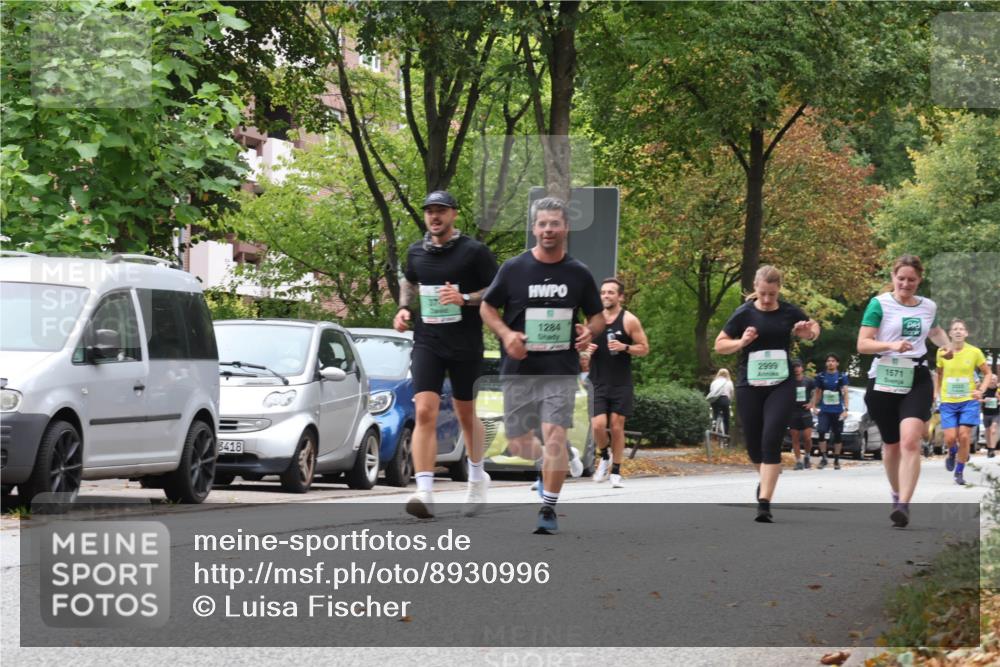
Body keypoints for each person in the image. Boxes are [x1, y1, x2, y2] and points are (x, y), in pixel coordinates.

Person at [481, 196, 604, 534]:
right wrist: (506, 334)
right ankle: (562, 455)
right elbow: (487, 308)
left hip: (559, 368)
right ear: (534, 228)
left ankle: (548, 507)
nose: (548, 229)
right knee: (519, 444)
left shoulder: (578, 273)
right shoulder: (513, 268)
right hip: (519, 369)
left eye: (555, 223)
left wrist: (589, 332)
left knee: (553, 433)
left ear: (566, 228)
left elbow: (597, 316)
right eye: (543, 224)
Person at [393, 190, 498, 519]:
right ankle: (424, 492)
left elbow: (496, 291)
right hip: (428, 341)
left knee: (465, 414)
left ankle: (477, 478)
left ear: (453, 214)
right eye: (429, 211)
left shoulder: (474, 252)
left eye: (441, 210)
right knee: (425, 410)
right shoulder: (416, 251)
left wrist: (464, 298)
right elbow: (409, 281)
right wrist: (403, 308)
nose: (434, 216)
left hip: (465, 343)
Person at [714, 266, 820, 522]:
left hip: (781, 384)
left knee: (771, 438)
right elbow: (720, 345)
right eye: (762, 293)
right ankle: (765, 476)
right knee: (754, 445)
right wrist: (741, 342)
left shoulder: (789, 312)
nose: (767, 299)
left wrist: (808, 333)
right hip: (750, 384)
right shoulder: (744, 313)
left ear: (779, 290)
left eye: (772, 294)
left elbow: (813, 328)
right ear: (755, 287)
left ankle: (764, 503)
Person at [857, 254, 952, 528]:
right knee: (891, 444)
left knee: (910, 440)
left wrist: (945, 346)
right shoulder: (879, 304)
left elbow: (935, 332)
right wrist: (891, 345)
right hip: (884, 377)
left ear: (919, 280)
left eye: (911, 280)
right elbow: (863, 344)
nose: (906, 284)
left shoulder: (928, 306)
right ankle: (897, 494)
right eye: (901, 279)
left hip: (916, 377)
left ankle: (904, 505)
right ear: (893, 277)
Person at [589, 278, 649, 488]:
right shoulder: (593, 319)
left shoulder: (629, 320)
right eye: (603, 292)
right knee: (597, 425)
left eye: (611, 292)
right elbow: (581, 347)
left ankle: (616, 471)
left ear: (620, 296)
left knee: (616, 426)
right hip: (597, 381)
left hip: (621, 382)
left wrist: (625, 347)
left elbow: (644, 348)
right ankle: (604, 456)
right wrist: (586, 350)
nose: (606, 296)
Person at [935, 319, 992, 485]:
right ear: (950, 333)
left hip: (968, 400)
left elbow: (987, 373)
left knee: (964, 436)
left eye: (961, 329)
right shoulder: (942, 351)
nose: (958, 331)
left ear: (966, 333)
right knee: (950, 438)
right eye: (955, 329)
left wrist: (981, 390)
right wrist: (936, 393)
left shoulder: (974, 352)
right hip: (948, 400)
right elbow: (939, 374)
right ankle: (952, 451)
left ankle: (959, 472)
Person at [812, 353, 851, 470]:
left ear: (837, 363)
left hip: (837, 411)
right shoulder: (821, 376)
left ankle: (836, 460)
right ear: (826, 363)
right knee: (821, 431)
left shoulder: (841, 377)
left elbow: (845, 393)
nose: (830, 363)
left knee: (837, 435)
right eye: (829, 361)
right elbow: (817, 392)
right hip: (824, 410)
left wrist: (846, 410)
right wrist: (814, 406)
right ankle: (824, 457)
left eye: (833, 361)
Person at [788, 359, 815, 471]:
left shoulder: (808, 381)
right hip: (793, 412)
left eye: (798, 366)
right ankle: (798, 461)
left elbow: (817, 391)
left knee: (807, 438)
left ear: (802, 368)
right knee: (795, 438)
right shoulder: (789, 382)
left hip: (805, 412)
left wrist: (812, 403)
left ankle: (807, 457)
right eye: (794, 367)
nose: (796, 369)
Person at [706, 368, 735, 437]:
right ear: (727, 374)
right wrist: (730, 401)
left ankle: (714, 422)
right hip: (724, 399)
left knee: (715, 412)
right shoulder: (729, 382)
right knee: (726, 417)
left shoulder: (714, 382)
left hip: (715, 400)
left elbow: (711, 392)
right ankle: (726, 434)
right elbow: (731, 394)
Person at [983, 374, 999, 457]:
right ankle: (989, 448)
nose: (993, 381)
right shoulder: (984, 389)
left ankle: (992, 449)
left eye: (994, 379)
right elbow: (977, 400)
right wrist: (984, 400)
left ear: (997, 381)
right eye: (991, 379)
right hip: (986, 413)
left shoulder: (998, 389)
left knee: (993, 429)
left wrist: (998, 397)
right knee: (988, 431)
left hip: (996, 413)